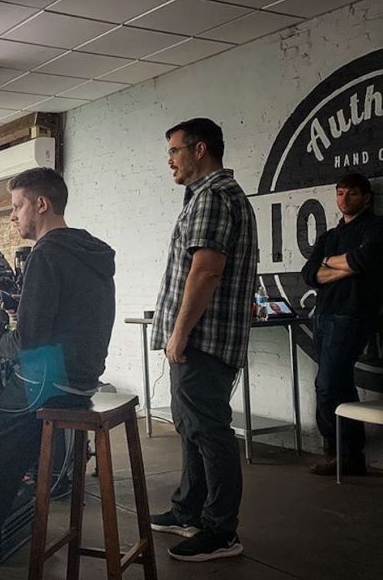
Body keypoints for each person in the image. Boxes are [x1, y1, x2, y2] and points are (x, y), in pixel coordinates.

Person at [0, 167, 116, 554]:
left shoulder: (45, 255)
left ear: (41, 204)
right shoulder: (89, 251)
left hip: (49, 387)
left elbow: (28, 344)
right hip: (82, 382)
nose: (12, 216)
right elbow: (70, 318)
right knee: (6, 451)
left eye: (18, 206)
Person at [149, 118, 257, 562]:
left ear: (200, 149)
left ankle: (221, 531)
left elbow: (206, 271)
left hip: (203, 341)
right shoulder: (213, 196)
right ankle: (188, 510)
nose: (170, 160)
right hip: (204, 340)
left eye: (175, 150)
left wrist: (179, 334)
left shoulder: (212, 196)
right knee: (192, 428)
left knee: (210, 433)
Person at [301, 172, 383, 476]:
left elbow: (364, 261)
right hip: (324, 314)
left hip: (353, 314)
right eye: (340, 193)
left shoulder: (375, 227)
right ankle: (349, 455)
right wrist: (345, 266)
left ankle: (340, 452)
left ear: (366, 197)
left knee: (327, 383)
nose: (344, 199)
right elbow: (309, 273)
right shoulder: (330, 237)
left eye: (352, 193)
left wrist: (330, 263)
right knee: (337, 382)